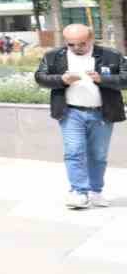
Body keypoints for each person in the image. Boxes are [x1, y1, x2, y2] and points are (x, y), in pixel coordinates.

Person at [35, 24, 124, 208]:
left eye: (82, 44)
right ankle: (78, 192)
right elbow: (40, 77)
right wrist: (61, 80)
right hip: (70, 112)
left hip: (101, 113)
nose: (76, 48)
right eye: (71, 44)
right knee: (74, 152)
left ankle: (95, 191)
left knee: (98, 155)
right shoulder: (54, 56)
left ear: (91, 39)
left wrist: (103, 79)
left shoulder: (111, 55)